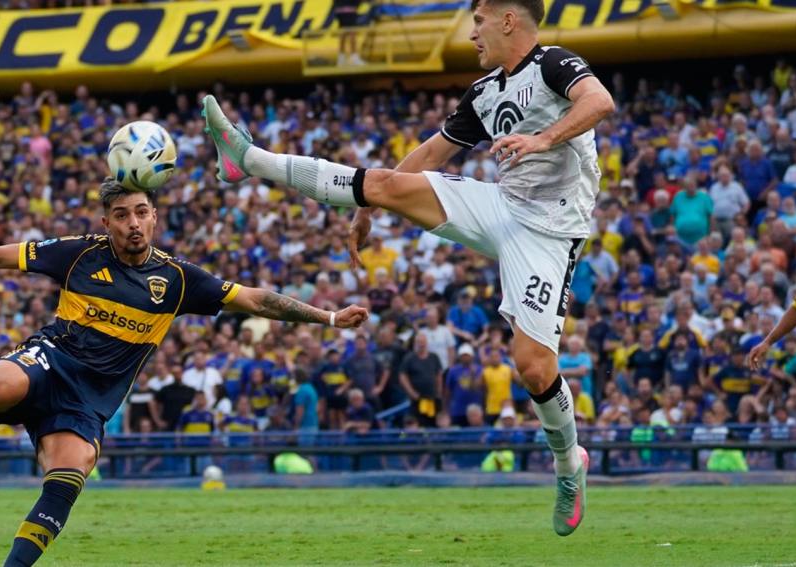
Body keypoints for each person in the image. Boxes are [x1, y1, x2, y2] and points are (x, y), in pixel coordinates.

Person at [202, 0, 614, 534]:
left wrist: (543, 138)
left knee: (533, 367)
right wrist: (371, 207)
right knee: (383, 181)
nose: (472, 34)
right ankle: (247, 159)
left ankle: (568, 463)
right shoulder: (484, 92)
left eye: (479, 22)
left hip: (550, 232)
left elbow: (599, 101)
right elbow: (431, 155)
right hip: (501, 207)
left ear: (509, 20)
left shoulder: (553, 63)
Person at [0, 179, 368, 567]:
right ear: (106, 222)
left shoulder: (178, 280)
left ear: (154, 218)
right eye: (121, 214)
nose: (133, 223)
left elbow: (255, 299)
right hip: (51, 362)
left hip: (89, 403)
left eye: (141, 212)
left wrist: (326, 318)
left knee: (68, 478)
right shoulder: (77, 254)